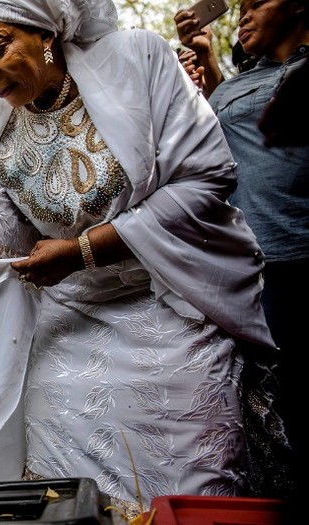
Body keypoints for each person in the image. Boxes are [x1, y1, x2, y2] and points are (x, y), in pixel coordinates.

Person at [0, 0, 286, 514]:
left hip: (172, 300)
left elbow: (205, 177)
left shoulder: (138, 61)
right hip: (70, 328)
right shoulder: (2, 140)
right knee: (63, 473)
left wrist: (83, 250)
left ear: (45, 33)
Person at [206, 0, 308, 511]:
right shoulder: (243, 79)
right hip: (240, 267)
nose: (242, 15)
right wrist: (208, 73)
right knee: (258, 413)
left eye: (255, 4)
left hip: (295, 259)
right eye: (237, 7)